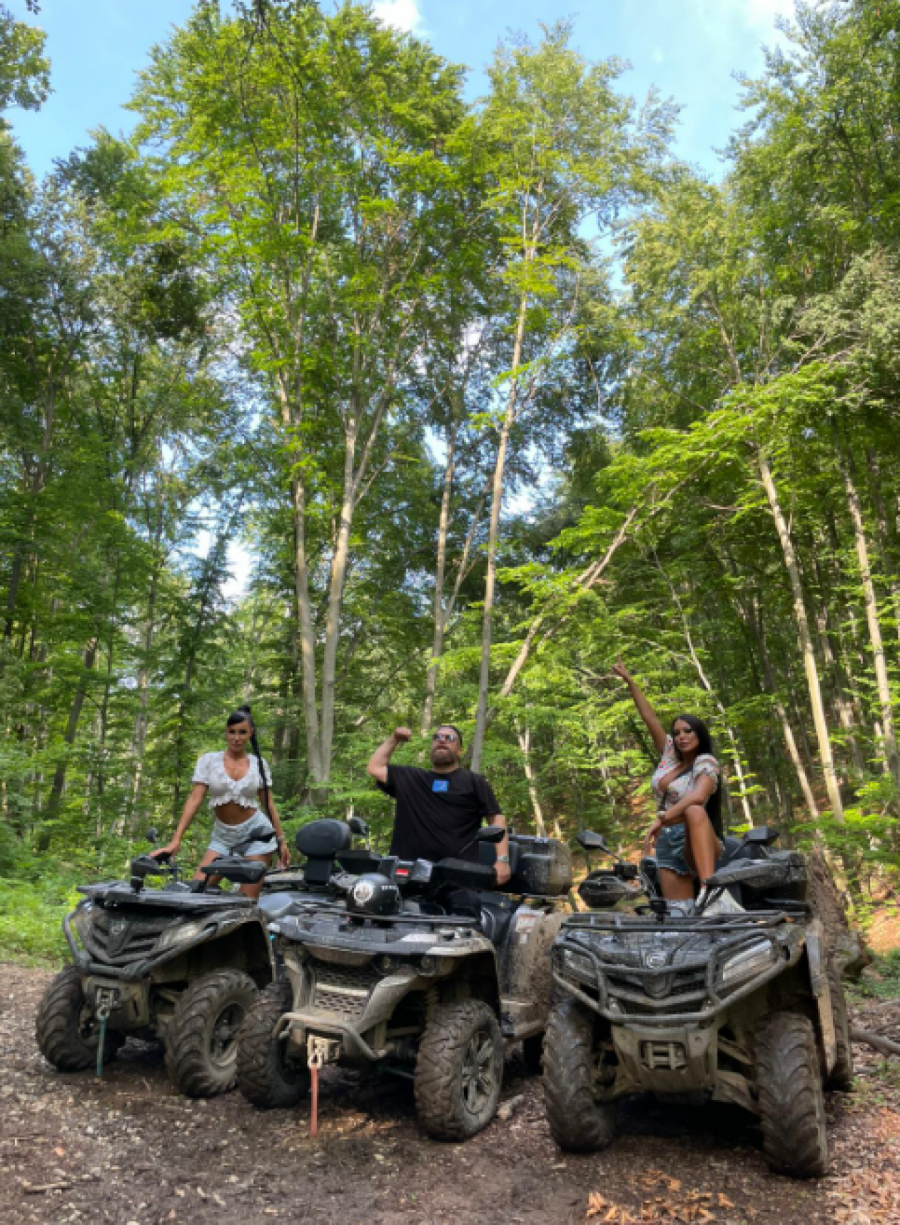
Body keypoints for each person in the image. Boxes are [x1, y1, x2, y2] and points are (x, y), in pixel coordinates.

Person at [611, 661, 722, 905]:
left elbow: (698, 797)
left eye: (688, 731)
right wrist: (630, 682)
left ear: (699, 734)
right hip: (668, 840)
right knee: (679, 915)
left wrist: (661, 818)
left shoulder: (707, 762)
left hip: (697, 836)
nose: (681, 736)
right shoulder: (670, 758)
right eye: (677, 732)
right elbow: (648, 716)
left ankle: (710, 890)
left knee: (693, 809)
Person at [153, 705, 290, 897]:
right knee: (196, 893)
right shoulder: (209, 761)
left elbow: (269, 805)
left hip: (257, 836)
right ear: (225, 733)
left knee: (245, 904)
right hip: (222, 838)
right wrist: (176, 840)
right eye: (232, 732)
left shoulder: (259, 764)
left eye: (242, 732)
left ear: (251, 733)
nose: (236, 737)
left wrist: (281, 841)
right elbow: (194, 800)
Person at [366, 724, 511, 887]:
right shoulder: (411, 778)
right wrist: (394, 739)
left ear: (459, 751)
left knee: (466, 908)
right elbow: (374, 767)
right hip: (406, 876)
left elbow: (496, 819)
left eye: (449, 738)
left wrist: (502, 860)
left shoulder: (474, 782)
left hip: (457, 878)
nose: (442, 740)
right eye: (437, 737)